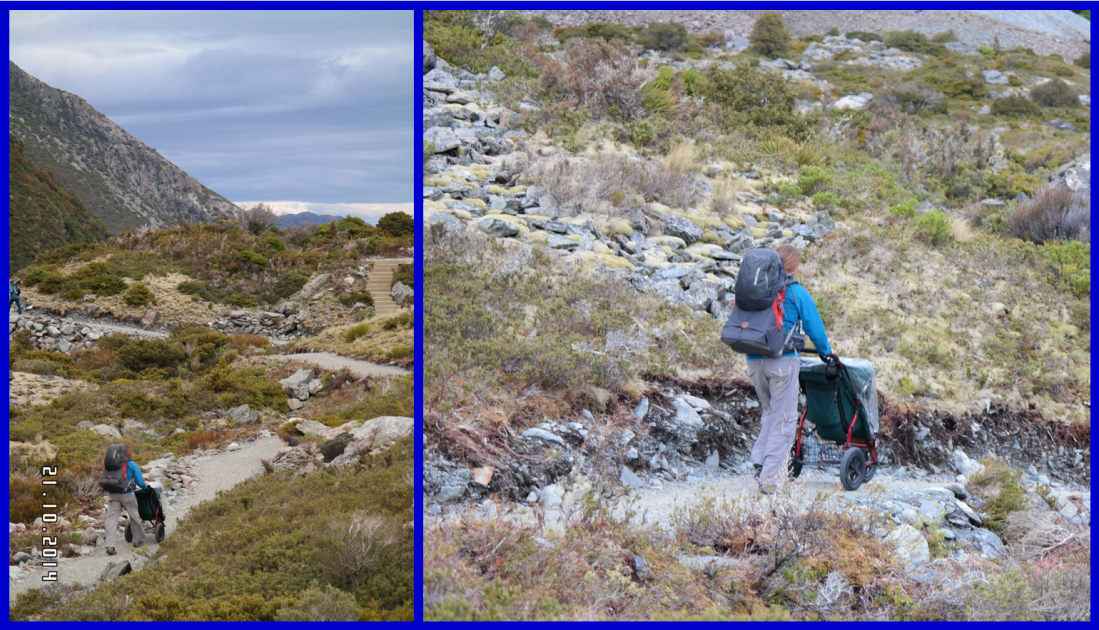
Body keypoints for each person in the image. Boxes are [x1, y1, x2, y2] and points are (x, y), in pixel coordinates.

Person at [746, 244, 836, 494]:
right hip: (782, 361)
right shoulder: (796, 293)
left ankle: (760, 461)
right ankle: (770, 478)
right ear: (794, 266)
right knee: (785, 419)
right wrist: (827, 353)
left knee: (770, 412)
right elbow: (815, 329)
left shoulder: (756, 288)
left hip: (753, 360)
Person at [103, 444, 148, 554]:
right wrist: (146, 487)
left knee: (111, 520)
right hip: (127, 494)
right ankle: (138, 540)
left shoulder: (110, 465)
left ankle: (110, 546)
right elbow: (140, 482)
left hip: (112, 494)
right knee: (134, 516)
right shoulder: (131, 464)